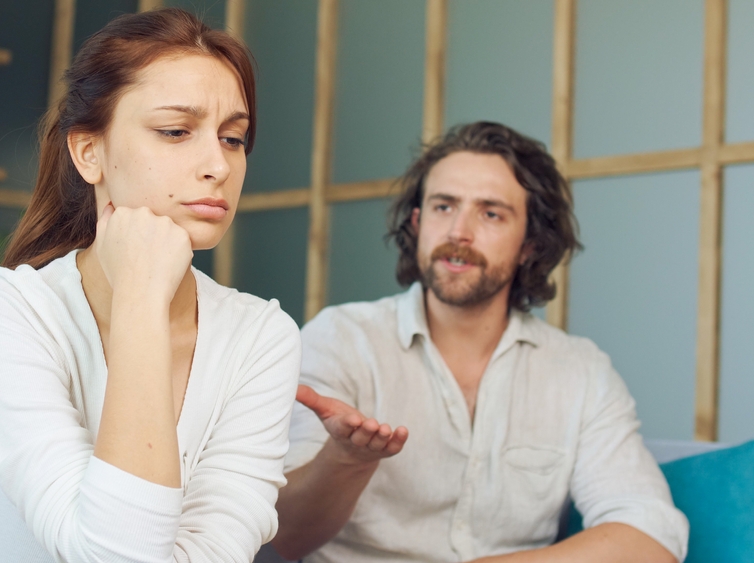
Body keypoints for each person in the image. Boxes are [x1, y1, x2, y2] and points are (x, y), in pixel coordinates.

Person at [0, 9, 300, 563]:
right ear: (88, 152)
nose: (217, 165)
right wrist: (142, 302)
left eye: (233, 138)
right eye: (175, 131)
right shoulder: (3, 312)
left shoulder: (262, 335)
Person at [272, 122, 689, 563]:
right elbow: (283, 540)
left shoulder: (581, 371)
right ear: (417, 223)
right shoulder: (340, 339)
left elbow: (651, 534)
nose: (459, 232)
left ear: (530, 242)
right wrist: (345, 460)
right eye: (443, 206)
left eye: (491, 213)